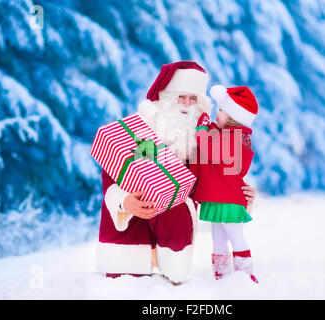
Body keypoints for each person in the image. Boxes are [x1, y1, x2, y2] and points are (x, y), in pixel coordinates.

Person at [96, 61, 257, 285]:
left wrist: (243, 195)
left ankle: (178, 269)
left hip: (172, 223)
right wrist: (124, 202)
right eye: (181, 96)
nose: (187, 104)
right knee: (126, 283)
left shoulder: (201, 138)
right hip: (132, 220)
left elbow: (221, 173)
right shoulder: (142, 128)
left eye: (194, 99)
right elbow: (113, 174)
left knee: (179, 211)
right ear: (167, 97)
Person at [192, 84, 259, 283]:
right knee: (218, 236)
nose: (217, 114)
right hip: (218, 195)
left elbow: (209, 150)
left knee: (233, 233)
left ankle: (245, 274)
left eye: (221, 110)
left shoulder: (235, 137)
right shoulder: (228, 135)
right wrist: (207, 127)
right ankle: (221, 274)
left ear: (232, 117)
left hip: (227, 196)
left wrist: (201, 128)